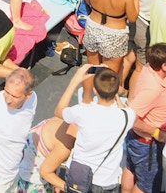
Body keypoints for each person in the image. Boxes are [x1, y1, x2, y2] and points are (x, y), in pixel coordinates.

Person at [55, 65, 136, 193]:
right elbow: (123, 109)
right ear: (116, 90)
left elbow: (59, 111)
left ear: (95, 90)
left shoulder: (82, 112)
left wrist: (74, 81)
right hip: (107, 182)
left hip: (79, 176)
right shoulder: (128, 116)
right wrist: (115, 94)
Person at [81, 0, 139, 103]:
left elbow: (87, 1)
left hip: (93, 26)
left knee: (91, 69)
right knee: (110, 75)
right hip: (114, 33)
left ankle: (87, 99)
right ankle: (106, 104)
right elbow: (133, 17)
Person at [121, 43, 166, 193]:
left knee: (130, 167)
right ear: (164, 66)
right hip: (148, 144)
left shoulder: (149, 67)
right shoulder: (153, 89)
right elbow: (132, 118)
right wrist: (156, 133)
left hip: (136, 141)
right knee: (146, 185)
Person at [128, 0, 166, 94]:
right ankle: (131, 99)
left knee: (130, 55)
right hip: (146, 30)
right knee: (139, 68)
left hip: (135, 21)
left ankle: (117, 86)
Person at [18, 116, 77, 193]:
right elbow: (45, 172)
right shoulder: (65, 145)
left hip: (21, 162)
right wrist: (71, 189)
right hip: (33, 180)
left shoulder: (62, 120)